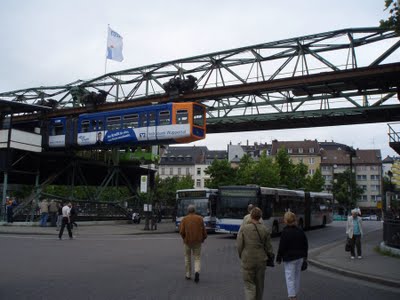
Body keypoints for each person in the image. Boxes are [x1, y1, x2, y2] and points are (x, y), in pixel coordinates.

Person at [237, 207, 274, 300]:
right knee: (259, 285)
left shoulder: (244, 229)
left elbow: (239, 244)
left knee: (249, 285)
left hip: (247, 259)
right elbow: (269, 247)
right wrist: (270, 256)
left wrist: (241, 255)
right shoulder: (265, 229)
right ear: (260, 216)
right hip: (261, 260)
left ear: (250, 216)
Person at [276, 212, 308, 300]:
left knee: (289, 277)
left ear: (286, 220)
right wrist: (305, 256)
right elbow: (305, 244)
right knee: (297, 276)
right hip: (300, 257)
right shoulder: (300, 230)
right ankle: (295, 293)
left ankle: (292, 296)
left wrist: (279, 258)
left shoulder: (285, 232)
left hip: (290, 258)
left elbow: (282, 246)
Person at [179, 204, 207, 283]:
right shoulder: (200, 218)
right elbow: (204, 230)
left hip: (187, 241)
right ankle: (197, 271)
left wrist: (184, 238)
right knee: (197, 258)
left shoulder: (184, 219)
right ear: (195, 210)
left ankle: (188, 274)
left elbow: (181, 231)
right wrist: (203, 238)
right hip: (197, 241)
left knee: (187, 258)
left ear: (188, 211)